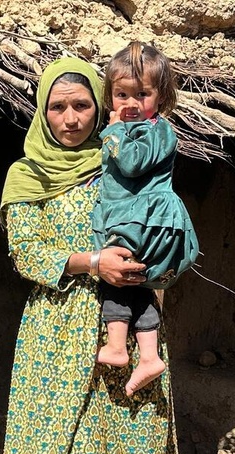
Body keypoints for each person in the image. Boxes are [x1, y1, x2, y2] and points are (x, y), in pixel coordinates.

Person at [0, 57, 184, 454]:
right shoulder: (27, 176)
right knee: (59, 445)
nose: (71, 118)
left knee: (128, 434)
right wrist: (94, 262)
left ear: (99, 108)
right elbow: (26, 252)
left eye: (82, 105)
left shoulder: (120, 159)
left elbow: (156, 220)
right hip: (56, 332)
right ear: (42, 110)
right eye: (58, 107)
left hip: (128, 319)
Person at [92, 42, 200, 397]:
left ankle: (117, 347)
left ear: (161, 97)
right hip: (137, 219)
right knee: (137, 286)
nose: (131, 104)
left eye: (143, 94)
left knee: (115, 277)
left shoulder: (157, 130)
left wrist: (112, 132)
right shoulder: (140, 128)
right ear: (110, 95)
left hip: (142, 219)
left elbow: (132, 163)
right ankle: (150, 356)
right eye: (122, 94)